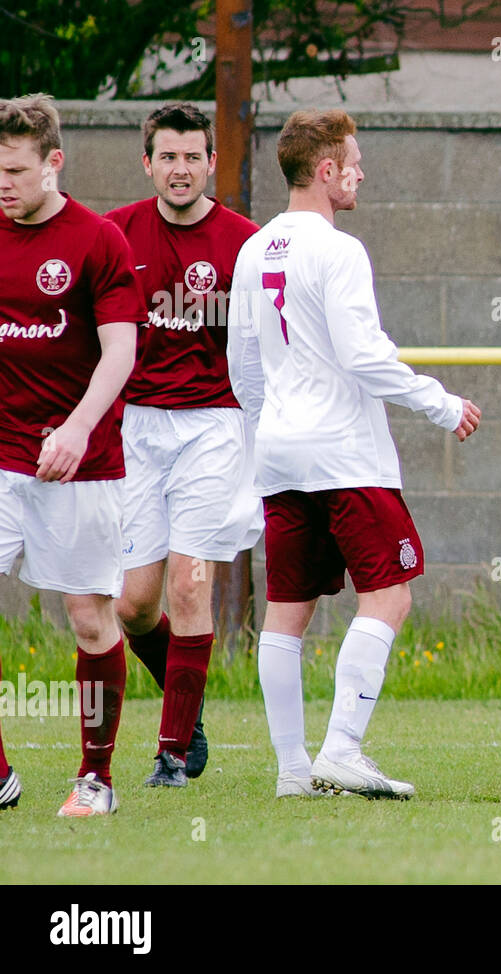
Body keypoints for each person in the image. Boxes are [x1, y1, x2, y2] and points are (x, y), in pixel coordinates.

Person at [228, 109, 481, 798]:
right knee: (390, 597)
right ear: (326, 169)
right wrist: (442, 404)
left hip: (280, 455)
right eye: (353, 161)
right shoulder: (339, 250)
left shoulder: (252, 249)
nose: (362, 172)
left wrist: (266, 435)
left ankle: (290, 774)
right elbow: (366, 358)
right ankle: (340, 749)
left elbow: (242, 364)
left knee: (286, 610)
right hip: (343, 456)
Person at [106, 103, 262, 788]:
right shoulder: (115, 235)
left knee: (193, 580)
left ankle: (171, 755)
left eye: (192, 156)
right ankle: (187, 706)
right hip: (137, 427)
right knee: (133, 605)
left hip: (214, 425)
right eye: (167, 156)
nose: (180, 168)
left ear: (211, 163)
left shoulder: (245, 245)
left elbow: (266, 345)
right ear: (148, 163)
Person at [0, 93, 143, 815]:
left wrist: (80, 426)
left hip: (78, 462)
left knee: (89, 615)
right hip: (0, 457)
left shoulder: (97, 241)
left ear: (54, 162)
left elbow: (121, 348)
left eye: (17, 170)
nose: (4, 183)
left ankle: (96, 778)